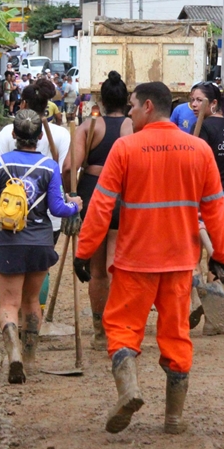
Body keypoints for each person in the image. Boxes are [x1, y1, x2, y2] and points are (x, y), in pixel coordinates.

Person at [73, 82, 224, 435]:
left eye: (132, 106)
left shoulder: (126, 148)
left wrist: (84, 252)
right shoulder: (198, 150)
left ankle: (129, 390)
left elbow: (101, 205)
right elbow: (215, 208)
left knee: (122, 329)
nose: (128, 113)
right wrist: (221, 254)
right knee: (176, 337)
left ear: (147, 106)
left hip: (135, 262)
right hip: (179, 263)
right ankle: (173, 418)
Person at [0, 110, 82, 383]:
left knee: (9, 303)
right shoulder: (50, 167)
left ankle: (12, 352)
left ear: (13, 135)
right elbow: (58, 208)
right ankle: (30, 358)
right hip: (40, 242)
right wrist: (76, 205)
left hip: (9, 242)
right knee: (31, 302)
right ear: (39, 137)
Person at [62, 70, 133, 350]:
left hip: (94, 194)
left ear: (101, 101)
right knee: (117, 267)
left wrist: (69, 196)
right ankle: (118, 326)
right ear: (126, 100)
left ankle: (99, 328)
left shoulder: (88, 128)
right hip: (124, 195)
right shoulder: (133, 127)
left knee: (98, 269)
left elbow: (69, 166)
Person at [0, 79, 71, 307]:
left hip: (9, 215)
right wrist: (72, 205)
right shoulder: (61, 135)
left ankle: (16, 314)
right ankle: (34, 313)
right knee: (39, 267)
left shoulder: (7, 132)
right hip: (48, 220)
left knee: (14, 267)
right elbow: (67, 173)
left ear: (23, 104)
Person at [189, 81, 224, 238]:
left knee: (197, 244)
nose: (194, 105)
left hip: (206, 194)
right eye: (192, 100)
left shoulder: (201, 127)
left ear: (213, 103)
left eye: (199, 100)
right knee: (220, 248)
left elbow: (195, 165)